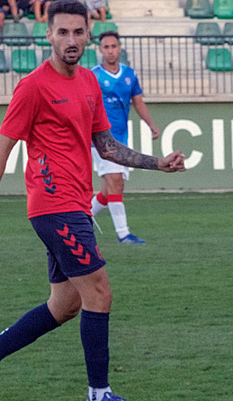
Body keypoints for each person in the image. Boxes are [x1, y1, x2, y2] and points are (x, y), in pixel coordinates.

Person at [0, 0, 184, 401]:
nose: (71, 40)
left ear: (88, 36)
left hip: (75, 206)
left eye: (78, 33)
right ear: (48, 35)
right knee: (99, 291)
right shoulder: (33, 86)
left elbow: (106, 145)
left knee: (65, 304)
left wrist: (157, 163)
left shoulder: (89, 84)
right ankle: (99, 396)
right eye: (62, 32)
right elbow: (2, 146)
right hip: (52, 205)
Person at [90, 30, 158, 246]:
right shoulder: (94, 76)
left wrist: (151, 125)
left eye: (113, 46)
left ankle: (84, 216)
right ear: (100, 50)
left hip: (121, 138)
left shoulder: (129, 74)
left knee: (107, 189)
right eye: (106, 47)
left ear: (119, 48)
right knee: (116, 182)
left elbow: (138, 102)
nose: (110, 50)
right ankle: (123, 234)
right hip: (101, 140)